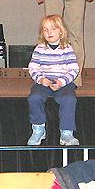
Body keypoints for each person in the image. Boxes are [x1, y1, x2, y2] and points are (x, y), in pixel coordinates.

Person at [27, 14, 80, 146]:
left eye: (53, 29)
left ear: (61, 32)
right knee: (34, 98)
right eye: (45, 30)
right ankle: (38, 129)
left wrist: (62, 81)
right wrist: (41, 79)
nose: (49, 32)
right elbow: (33, 67)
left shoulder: (67, 48)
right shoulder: (39, 49)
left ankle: (66, 133)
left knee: (69, 99)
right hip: (44, 81)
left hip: (63, 82)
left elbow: (73, 69)